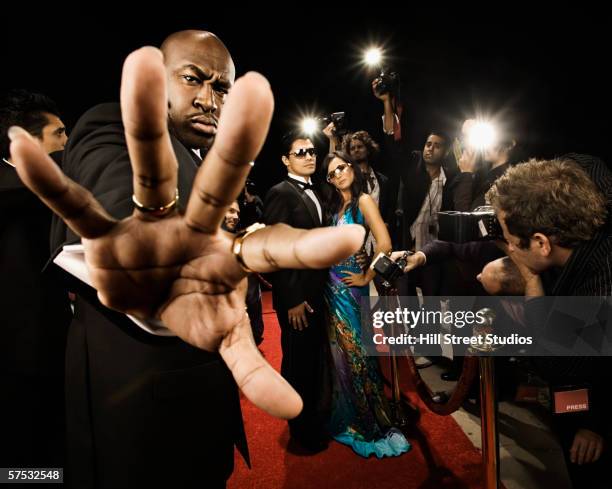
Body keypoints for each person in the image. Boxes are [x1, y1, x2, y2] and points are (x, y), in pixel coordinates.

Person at [8, 32, 365, 488]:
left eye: (222, 89)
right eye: (193, 78)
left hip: (195, 403)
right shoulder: (113, 125)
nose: (209, 99)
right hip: (142, 422)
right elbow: (124, 197)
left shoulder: (203, 156)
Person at [487, 157, 612, 489]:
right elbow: (585, 163)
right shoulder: (592, 178)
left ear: (542, 243)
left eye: (512, 241)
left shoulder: (599, 292)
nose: (509, 247)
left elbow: (552, 359)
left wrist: (529, 279)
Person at [320, 150, 410, 458]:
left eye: (342, 168)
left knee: (358, 351)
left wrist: (367, 275)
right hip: (329, 287)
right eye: (332, 173)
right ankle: (348, 414)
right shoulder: (336, 205)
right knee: (339, 354)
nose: (339, 175)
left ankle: (370, 418)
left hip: (350, 287)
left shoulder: (364, 201)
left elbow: (385, 244)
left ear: (353, 168)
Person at [0, 89, 72, 468]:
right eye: (59, 134)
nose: (67, 143)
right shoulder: (18, 192)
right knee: (24, 463)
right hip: (18, 362)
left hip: (56, 349)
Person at [263, 132, 331, 452]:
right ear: (285, 160)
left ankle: (315, 421)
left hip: (318, 293)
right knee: (298, 364)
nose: (308, 156)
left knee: (314, 360)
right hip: (297, 299)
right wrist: (292, 300)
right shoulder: (280, 193)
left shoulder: (316, 189)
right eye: (300, 152)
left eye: (311, 151)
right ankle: (301, 434)